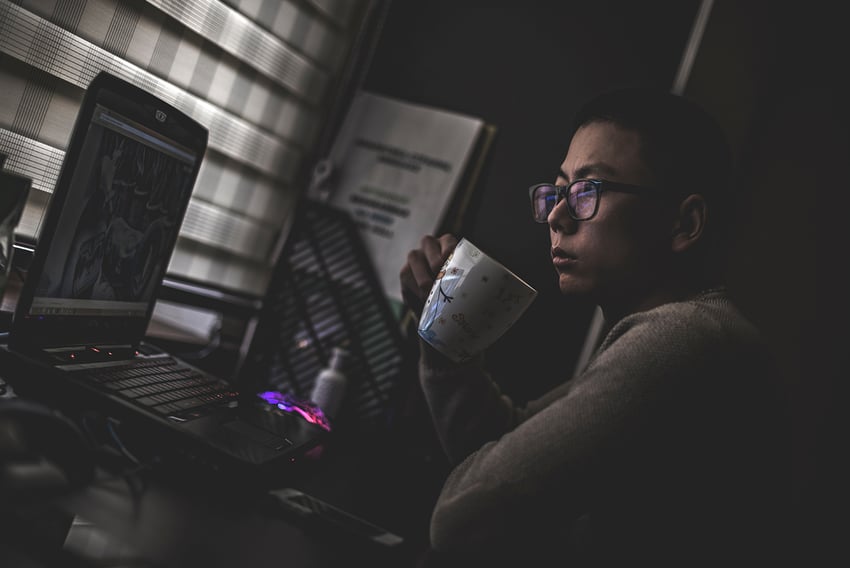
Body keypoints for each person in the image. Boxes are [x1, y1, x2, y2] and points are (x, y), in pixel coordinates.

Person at [399, 87, 791, 565]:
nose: (558, 217)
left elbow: (461, 517)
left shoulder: (686, 340)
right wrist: (444, 341)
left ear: (684, 223)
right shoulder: (681, 331)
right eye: (558, 191)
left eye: (589, 190)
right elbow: (505, 446)